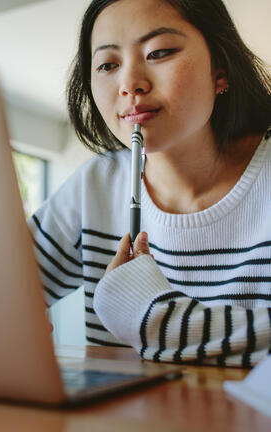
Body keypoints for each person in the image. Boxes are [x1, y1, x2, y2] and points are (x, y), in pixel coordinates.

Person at [28, 0, 271, 367]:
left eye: (159, 52)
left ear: (220, 68)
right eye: (108, 64)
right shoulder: (94, 185)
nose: (130, 85)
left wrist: (157, 322)